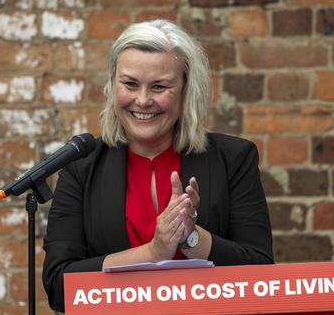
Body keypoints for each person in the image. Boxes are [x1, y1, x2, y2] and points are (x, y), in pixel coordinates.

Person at [42, 19, 274, 311]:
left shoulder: (233, 158)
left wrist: (191, 238)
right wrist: (154, 251)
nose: (142, 100)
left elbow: (262, 277)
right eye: (130, 84)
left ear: (186, 90)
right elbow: (59, 286)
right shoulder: (81, 167)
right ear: (113, 85)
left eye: (159, 86)